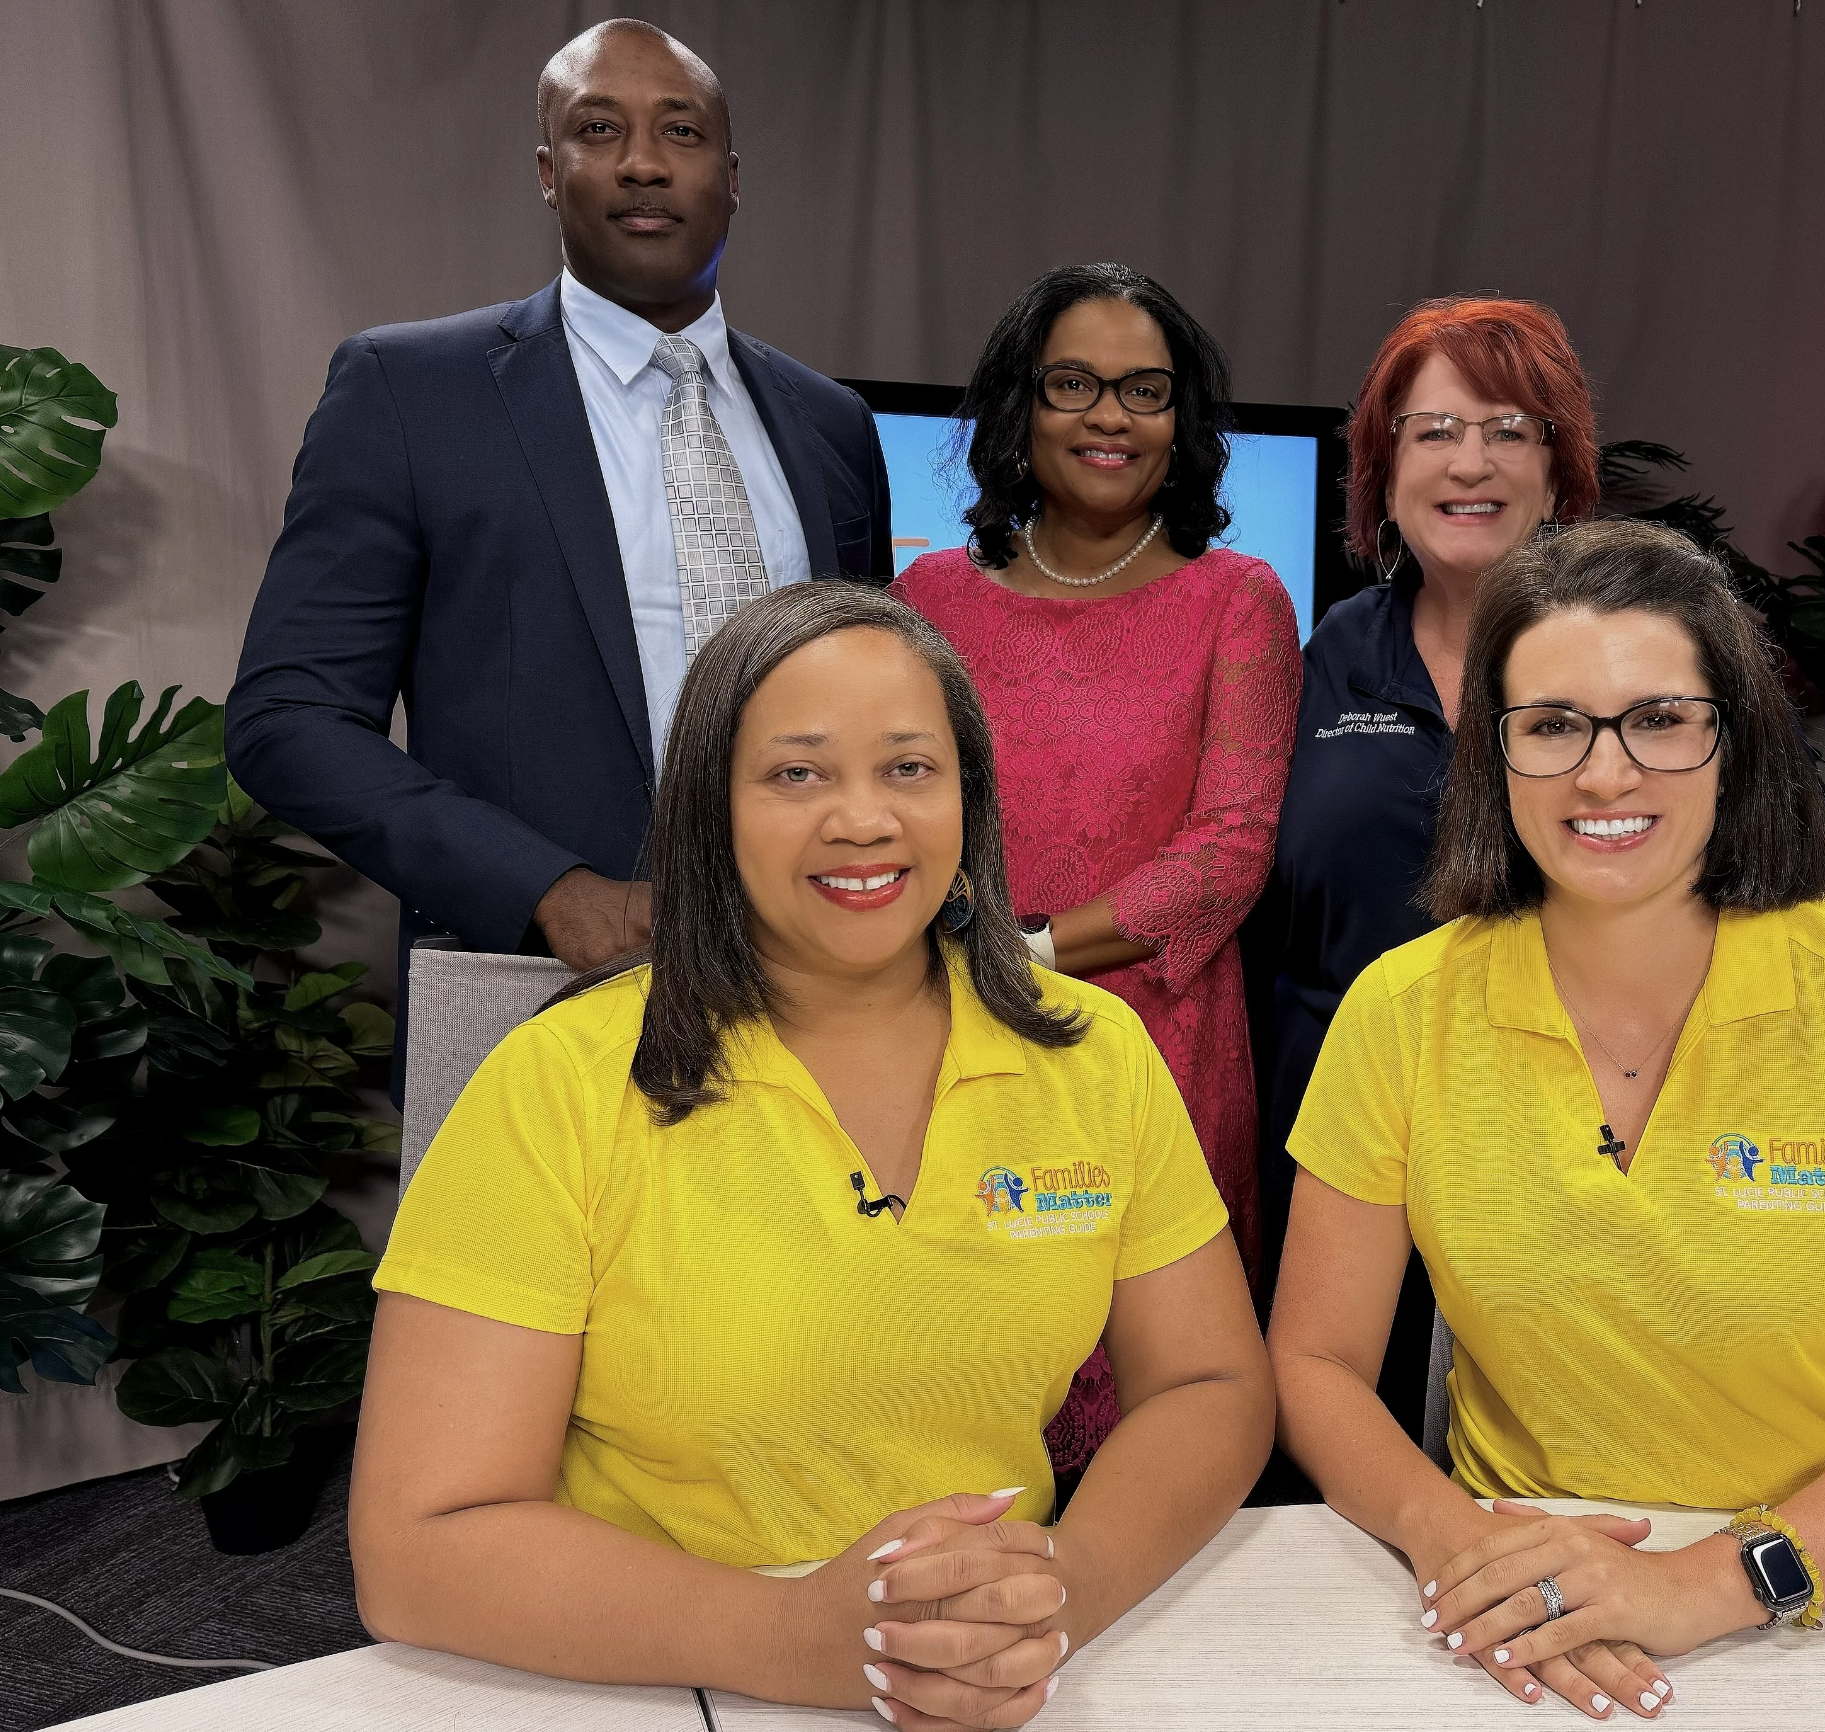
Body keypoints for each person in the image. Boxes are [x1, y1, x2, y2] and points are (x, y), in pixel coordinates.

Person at [352, 584, 1273, 1725]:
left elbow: (1212, 1385)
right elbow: (418, 1545)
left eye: (908, 768)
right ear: (711, 811)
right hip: (650, 1675)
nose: (863, 820)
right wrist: (791, 1638)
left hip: (998, 1673)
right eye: (796, 773)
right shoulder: (562, 1083)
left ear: (969, 798)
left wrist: (1055, 1594)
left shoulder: (1093, 1051)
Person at [1269, 522, 1825, 1722]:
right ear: (1495, 753)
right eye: (1552, 723)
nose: (1605, 774)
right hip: (1507, 1605)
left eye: (1660, 720)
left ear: (1734, 743)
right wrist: (1455, 1541)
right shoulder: (1400, 1009)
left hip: (1819, 1593)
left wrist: (1694, 1586)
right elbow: (1313, 1362)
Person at [1249, 295, 1825, 1403]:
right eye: (1432, 430)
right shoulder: (1323, 654)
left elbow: (1768, 813)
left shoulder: (1634, 634)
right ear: (1380, 469)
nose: (1468, 460)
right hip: (1351, 1106)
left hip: (1561, 1109)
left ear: (1559, 467)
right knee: (1342, 1429)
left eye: (1508, 427)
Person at [226, 19, 892, 1062]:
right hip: (534, 997)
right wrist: (540, 888)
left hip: (817, 997)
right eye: (597, 128)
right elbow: (288, 718)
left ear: (729, 173)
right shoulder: (410, 393)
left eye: (679, 130)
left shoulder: (830, 426)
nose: (640, 160)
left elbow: (872, 717)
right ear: (548, 170)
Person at [892, 264, 1300, 1472]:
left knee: (1154, 1414)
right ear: (1021, 408)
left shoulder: (1239, 599)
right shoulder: (930, 599)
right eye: (1073, 383)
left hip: (1158, 1045)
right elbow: (902, 804)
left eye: (1145, 390)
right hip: (953, 1035)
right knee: (958, 1386)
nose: (1108, 416)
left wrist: (1023, 956)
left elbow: (1228, 855)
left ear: (1184, 426)